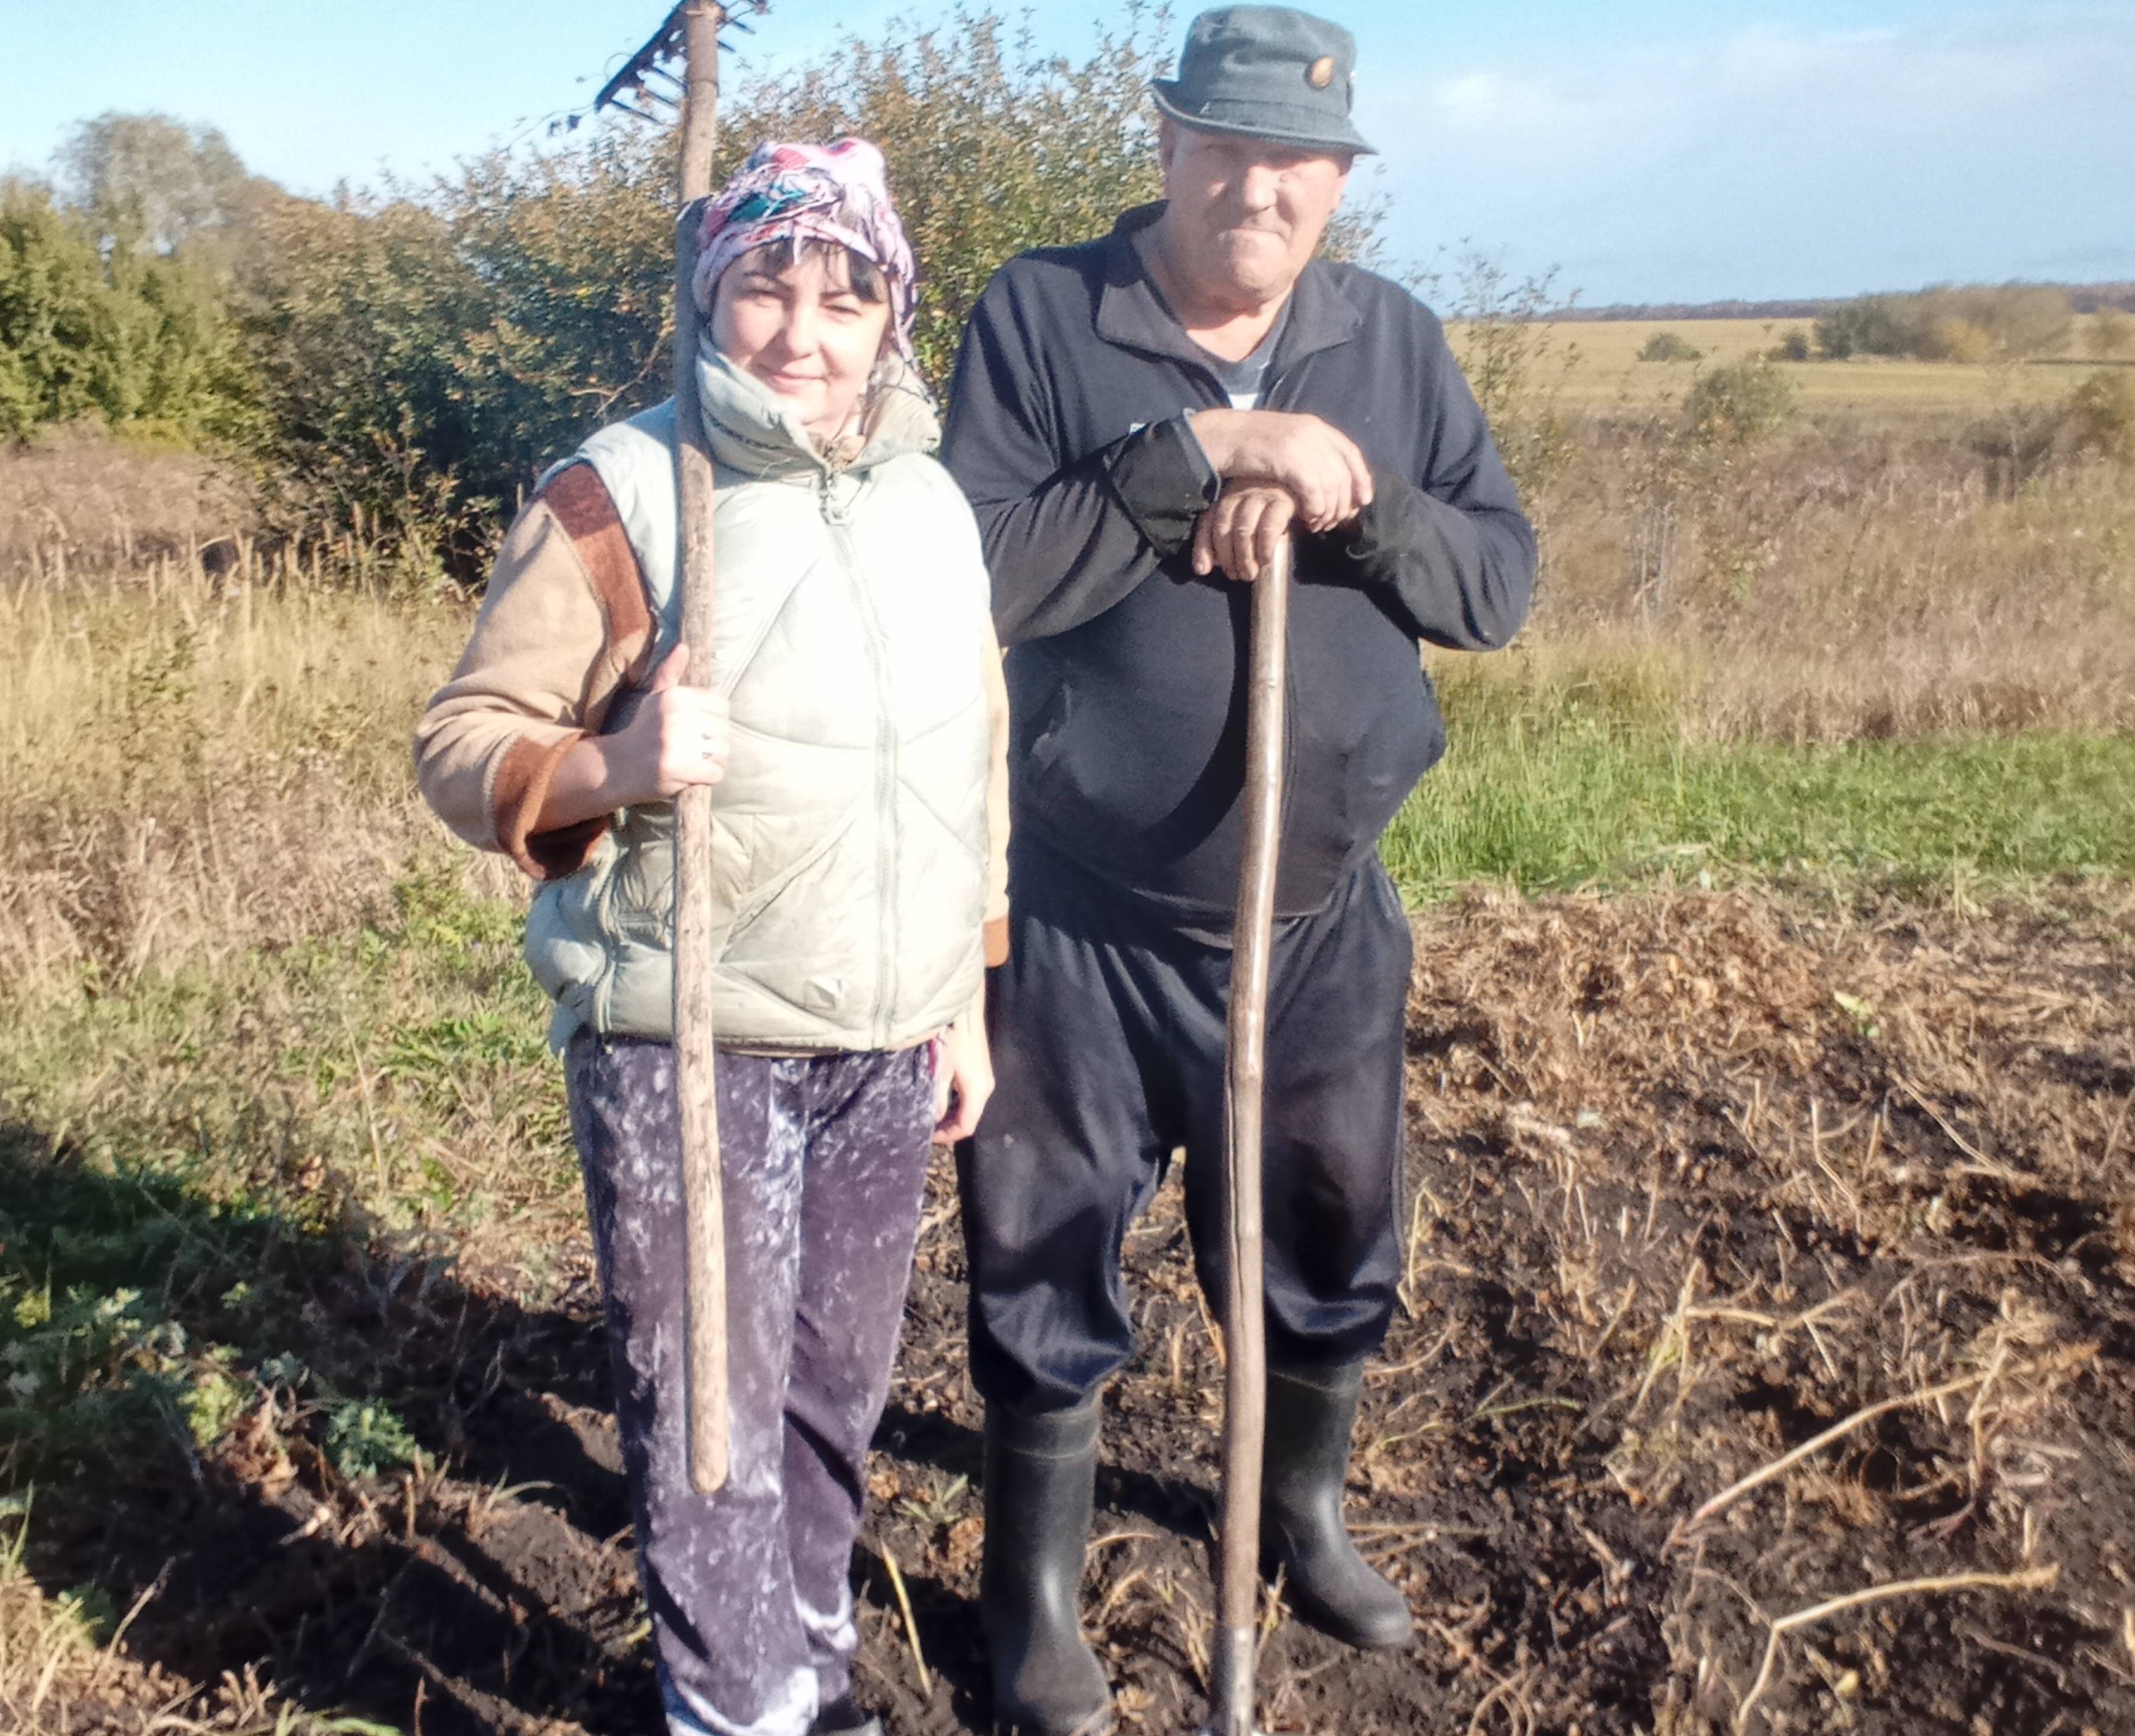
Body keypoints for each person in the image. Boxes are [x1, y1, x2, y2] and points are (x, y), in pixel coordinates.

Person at [939, 7, 1537, 1731]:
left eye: (1295, 162)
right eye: (1224, 148)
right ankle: (1034, 1593)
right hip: (1082, 920)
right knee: (1043, 1243)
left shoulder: (1392, 342)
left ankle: (1297, 1513)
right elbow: (970, 576)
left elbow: (1496, 584)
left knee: (1334, 1237)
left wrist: (1355, 505)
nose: (1254, 190)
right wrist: (1185, 461)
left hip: (1317, 921)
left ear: (1338, 183)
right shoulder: (1046, 318)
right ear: (1166, 146)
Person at [416, 139, 1004, 1736]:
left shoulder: (930, 503)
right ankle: (733, 1713)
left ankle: (806, 1679)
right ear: (706, 296)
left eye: (843, 292)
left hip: (886, 1033)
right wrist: (611, 762)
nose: (802, 333)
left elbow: (970, 750)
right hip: (694, 1036)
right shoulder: (624, 493)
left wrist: (965, 992)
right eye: (765, 287)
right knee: (713, 1424)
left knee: (829, 1403)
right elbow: (462, 739)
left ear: (893, 309)